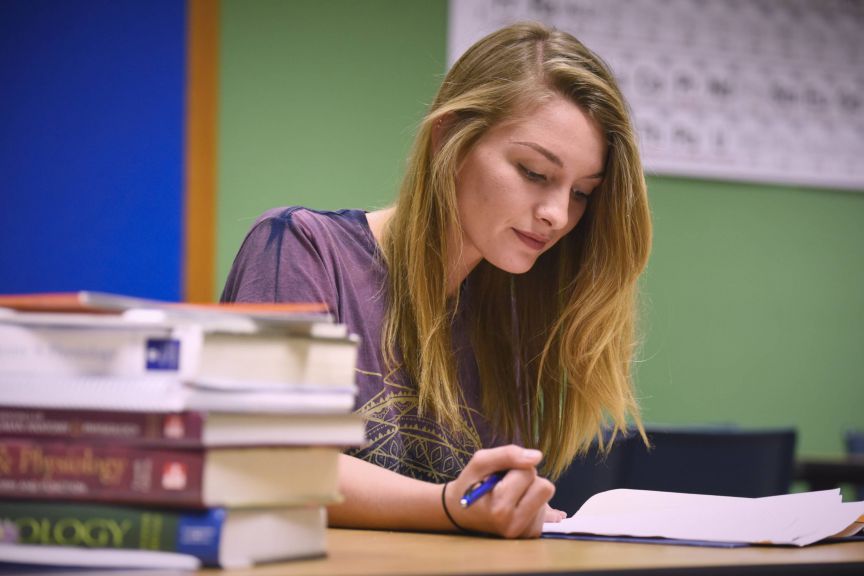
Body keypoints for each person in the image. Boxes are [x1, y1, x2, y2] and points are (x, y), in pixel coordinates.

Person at [221, 21, 651, 539]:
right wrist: (453, 505)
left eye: (581, 192)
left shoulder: (512, 315)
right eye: (535, 173)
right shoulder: (299, 248)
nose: (558, 214)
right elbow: (263, 463)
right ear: (448, 137)